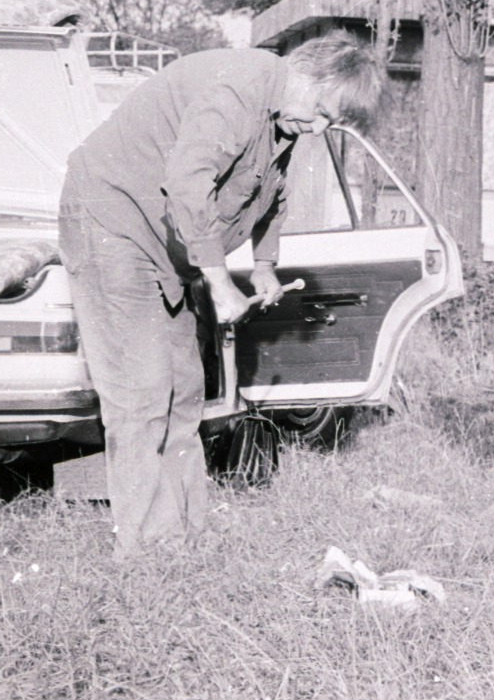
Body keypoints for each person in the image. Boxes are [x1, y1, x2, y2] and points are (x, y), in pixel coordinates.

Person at [58, 29, 384, 560]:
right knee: (141, 393)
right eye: (323, 111)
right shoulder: (240, 88)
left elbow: (271, 193)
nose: (321, 129)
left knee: (184, 391)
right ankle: (146, 551)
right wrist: (217, 282)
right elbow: (188, 184)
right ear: (310, 74)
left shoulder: (285, 117)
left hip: (161, 243)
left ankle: (186, 534)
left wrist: (262, 266)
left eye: (332, 123)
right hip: (110, 223)